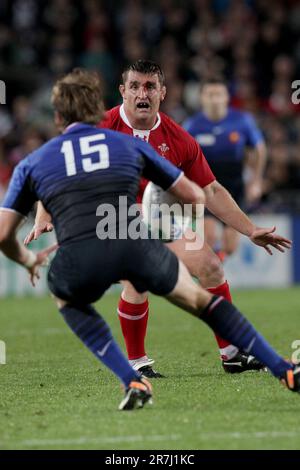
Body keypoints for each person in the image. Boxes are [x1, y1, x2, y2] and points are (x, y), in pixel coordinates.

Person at [1, 69, 299, 407]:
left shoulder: (176, 137)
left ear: (161, 92)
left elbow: (210, 189)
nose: (142, 93)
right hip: (116, 220)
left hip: (149, 221)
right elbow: (195, 195)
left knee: (209, 265)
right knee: (144, 283)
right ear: (120, 93)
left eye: (150, 87)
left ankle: (229, 353)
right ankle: (140, 361)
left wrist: (248, 228)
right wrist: (45, 213)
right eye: (135, 86)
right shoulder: (114, 132)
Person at [183, 77, 267, 261]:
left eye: (218, 94)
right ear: (202, 98)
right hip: (205, 185)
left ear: (226, 97)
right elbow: (181, 157)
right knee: (210, 236)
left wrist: (256, 181)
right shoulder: (192, 125)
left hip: (235, 185)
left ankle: (215, 267)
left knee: (231, 245)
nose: (214, 99)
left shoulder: (242, 120)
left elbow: (259, 150)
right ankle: (211, 280)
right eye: (210, 94)